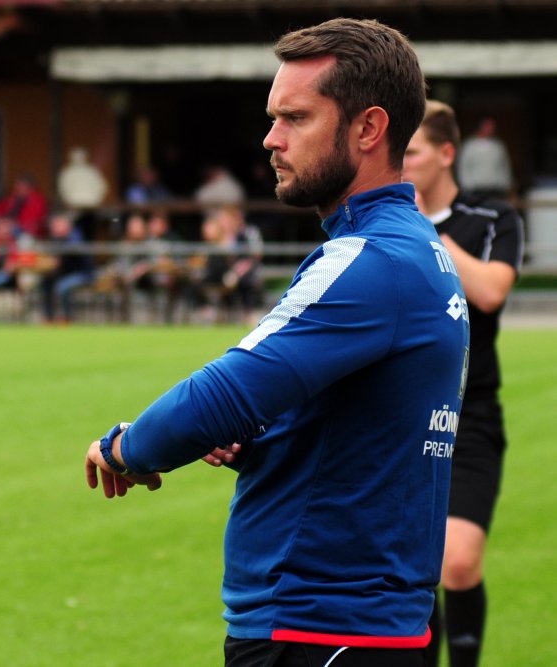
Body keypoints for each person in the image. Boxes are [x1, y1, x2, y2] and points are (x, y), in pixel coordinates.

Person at [85, 18, 470, 667]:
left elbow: (225, 393)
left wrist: (127, 447)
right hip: (356, 625)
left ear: (368, 128)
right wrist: (263, 442)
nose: (271, 139)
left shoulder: (373, 258)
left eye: (295, 117)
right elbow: (364, 430)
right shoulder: (410, 248)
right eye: (273, 117)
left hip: (318, 628)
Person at [403, 100, 524, 667]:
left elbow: (491, 291)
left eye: (411, 152)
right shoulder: (386, 224)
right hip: (403, 417)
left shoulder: (492, 219)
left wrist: (430, 233)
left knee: (458, 562)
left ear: (446, 154)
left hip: (470, 416)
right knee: (416, 568)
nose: (399, 164)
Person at [40, 211, 95, 323]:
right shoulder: (56, 240)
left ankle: (67, 318)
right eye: (53, 225)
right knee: (46, 281)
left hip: (85, 274)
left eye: (57, 225)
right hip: (66, 273)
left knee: (62, 286)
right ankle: (48, 317)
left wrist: (57, 260)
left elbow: (68, 255)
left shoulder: (75, 237)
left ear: (66, 226)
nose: (53, 228)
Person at [456, 116, 513, 199]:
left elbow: (505, 166)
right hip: (475, 189)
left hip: (495, 189)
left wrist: (506, 184)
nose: (491, 129)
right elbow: (463, 166)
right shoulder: (470, 145)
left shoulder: (498, 146)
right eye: (488, 126)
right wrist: (466, 185)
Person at [0, 172, 48, 239]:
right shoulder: (14, 198)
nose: (16, 188)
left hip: (28, 235)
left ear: (29, 187)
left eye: (19, 185)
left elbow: (30, 222)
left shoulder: (37, 201)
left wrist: (9, 224)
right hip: (6, 230)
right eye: (16, 185)